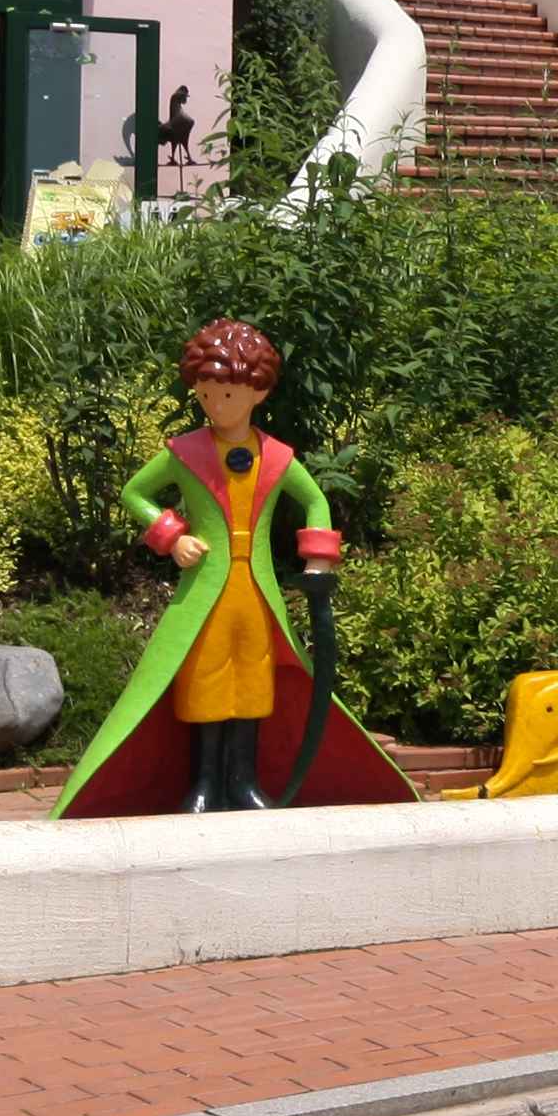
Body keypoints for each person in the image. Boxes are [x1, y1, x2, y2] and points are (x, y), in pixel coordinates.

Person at [58, 321, 416, 815]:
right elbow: (134, 493)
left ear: (258, 393)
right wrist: (172, 536)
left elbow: (314, 500)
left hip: (255, 591)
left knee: (252, 681)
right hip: (205, 591)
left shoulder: (277, 457)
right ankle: (204, 783)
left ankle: (243, 781)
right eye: (205, 394)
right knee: (204, 680)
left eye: (227, 394)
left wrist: (317, 559)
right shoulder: (185, 453)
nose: (215, 405)